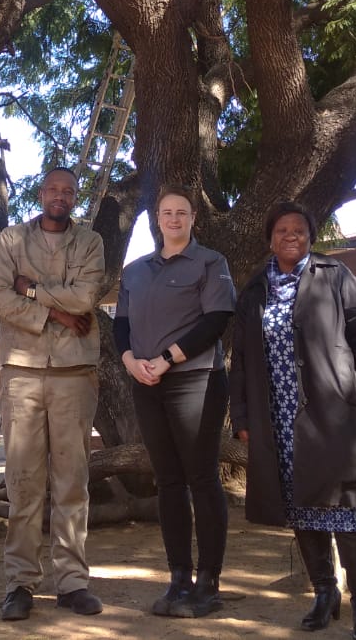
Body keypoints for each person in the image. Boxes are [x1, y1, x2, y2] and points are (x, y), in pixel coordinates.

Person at [229, 201, 356, 640]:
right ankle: (324, 592)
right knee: (300, 506)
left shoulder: (335, 276)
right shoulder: (254, 291)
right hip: (277, 417)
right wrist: (241, 416)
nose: (290, 236)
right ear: (270, 238)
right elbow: (241, 359)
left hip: (335, 410)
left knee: (349, 507)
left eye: (299, 230)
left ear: (310, 237)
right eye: (281, 229)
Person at [0, 166, 106, 621]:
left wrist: (31, 288)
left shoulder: (90, 242)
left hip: (75, 372)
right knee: (23, 482)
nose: (60, 196)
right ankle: (20, 582)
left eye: (68, 191)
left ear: (75, 197)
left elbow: (85, 297)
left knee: (72, 480)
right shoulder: (11, 240)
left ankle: (73, 581)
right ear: (40, 193)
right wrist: (53, 315)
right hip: (22, 371)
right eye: (53, 189)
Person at [114, 185, 236, 618]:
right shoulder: (135, 270)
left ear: (193, 218)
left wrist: (166, 359)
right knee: (167, 481)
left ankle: (209, 582)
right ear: (156, 218)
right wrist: (130, 361)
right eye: (166, 212)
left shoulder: (210, 263)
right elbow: (121, 326)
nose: (173, 219)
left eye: (181, 212)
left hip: (195, 379)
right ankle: (179, 578)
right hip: (146, 383)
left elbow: (216, 321)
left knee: (201, 478)